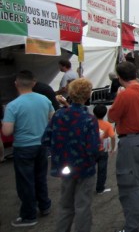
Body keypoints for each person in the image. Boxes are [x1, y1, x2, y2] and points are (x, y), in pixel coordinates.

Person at [42, 78, 99, 232]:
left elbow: (46, 139)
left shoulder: (59, 115)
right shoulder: (89, 119)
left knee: (65, 204)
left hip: (64, 165)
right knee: (83, 205)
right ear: (88, 95)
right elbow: (93, 148)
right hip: (84, 167)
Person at [108, 61, 139, 232]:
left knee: (130, 184)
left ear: (120, 78)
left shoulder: (125, 94)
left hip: (130, 140)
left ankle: (133, 226)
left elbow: (112, 116)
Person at [2, 70, 54, 227]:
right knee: (40, 177)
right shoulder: (44, 99)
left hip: (24, 147)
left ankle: (29, 215)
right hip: (41, 145)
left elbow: (6, 131)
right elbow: (53, 119)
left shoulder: (13, 105)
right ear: (34, 82)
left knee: (26, 181)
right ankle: (44, 206)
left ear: (16, 84)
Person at [93, 104, 116, 194]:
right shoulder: (107, 125)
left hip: (92, 149)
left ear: (94, 113)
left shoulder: (91, 123)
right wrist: (112, 148)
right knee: (102, 170)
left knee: (90, 168)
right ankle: (100, 188)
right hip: (103, 149)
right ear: (105, 114)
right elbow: (113, 137)